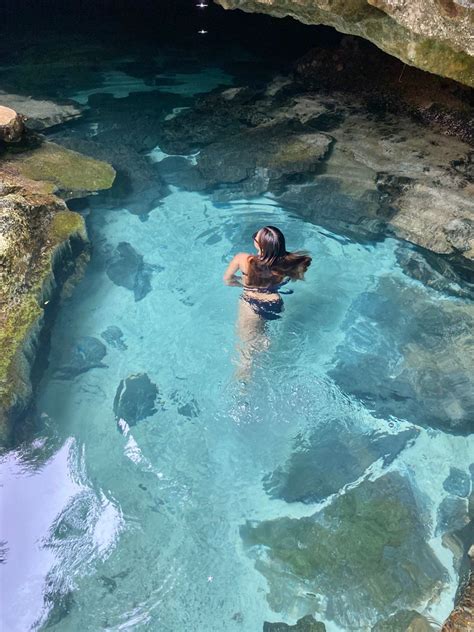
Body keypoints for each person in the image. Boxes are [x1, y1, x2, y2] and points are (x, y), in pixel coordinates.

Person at [223, 226, 311, 378]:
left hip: (252, 304)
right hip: (275, 303)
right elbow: (298, 272)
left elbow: (228, 281)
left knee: (244, 353)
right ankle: (263, 341)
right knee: (259, 334)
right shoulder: (287, 262)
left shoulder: (243, 259)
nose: (254, 239)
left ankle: (241, 391)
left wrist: (243, 282)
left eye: (255, 237)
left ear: (260, 245)